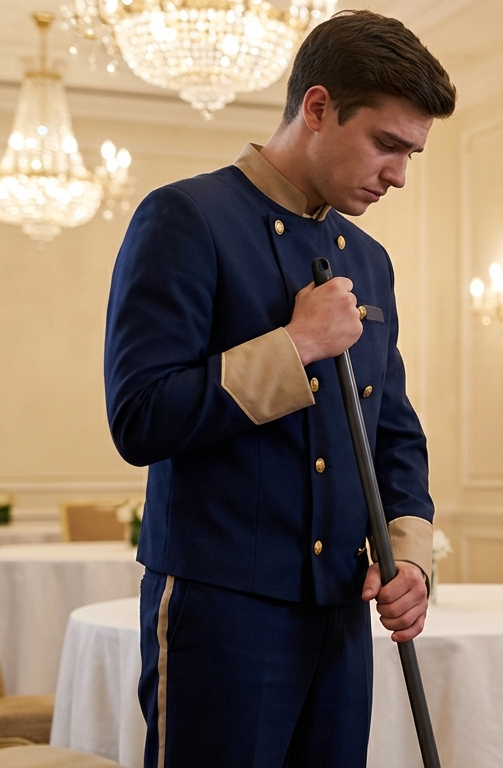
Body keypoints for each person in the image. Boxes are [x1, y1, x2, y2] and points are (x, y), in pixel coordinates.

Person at [102, 11, 455, 767]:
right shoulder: (185, 218)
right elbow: (139, 418)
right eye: (387, 144)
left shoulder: (370, 258)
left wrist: (410, 558)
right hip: (217, 610)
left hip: (339, 613)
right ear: (319, 107)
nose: (398, 174)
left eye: (411, 152)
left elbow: (392, 430)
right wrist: (295, 345)